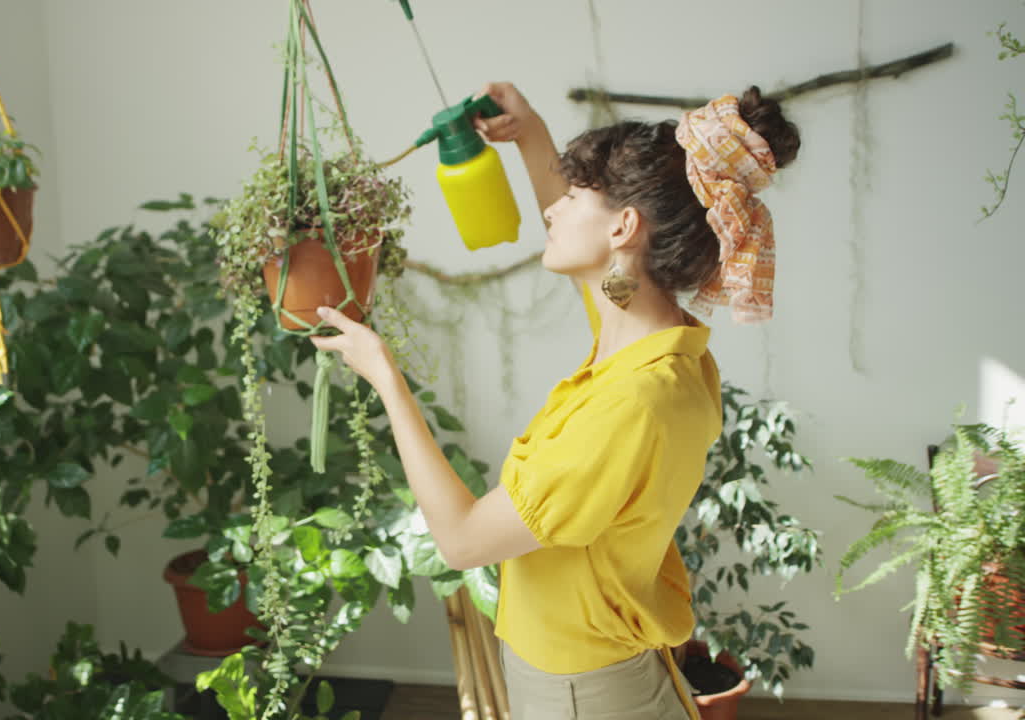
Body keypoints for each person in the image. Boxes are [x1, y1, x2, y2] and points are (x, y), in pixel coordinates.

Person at [311, 81, 801, 719]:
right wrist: (533, 134)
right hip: (596, 676)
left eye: (572, 197)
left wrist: (385, 375)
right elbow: (605, 271)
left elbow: (460, 543)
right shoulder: (650, 341)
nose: (552, 210)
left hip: (581, 696)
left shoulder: (634, 399)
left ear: (625, 226)